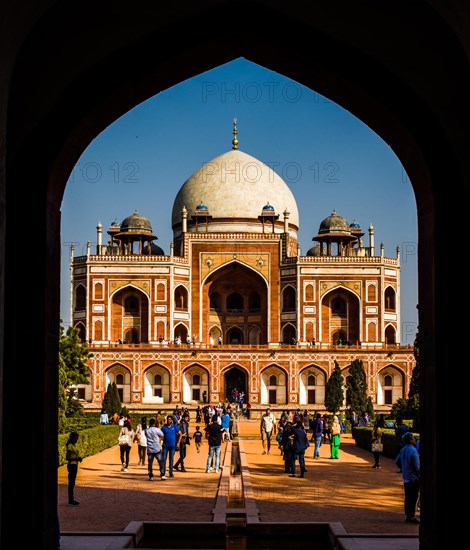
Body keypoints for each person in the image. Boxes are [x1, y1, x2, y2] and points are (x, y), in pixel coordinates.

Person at [395, 432, 420, 524]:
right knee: (413, 497)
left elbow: (397, 461)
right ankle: (411, 516)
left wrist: (404, 467)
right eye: (413, 438)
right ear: (410, 440)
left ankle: (408, 515)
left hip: (406, 477)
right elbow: (417, 466)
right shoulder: (413, 450)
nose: (414, 440)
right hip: (414, 478)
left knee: (408, 497)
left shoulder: (403, 449)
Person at [65, 431, 83, 506]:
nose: (76, 440)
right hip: (72, 465)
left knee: (72, 482)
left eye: (77, 438)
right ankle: (70, 500)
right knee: (71, 483)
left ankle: (71, 499)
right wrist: (76, 458)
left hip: (74, 465)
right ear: (72, 438)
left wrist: (77, 458)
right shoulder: (70, 446)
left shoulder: (72, 445)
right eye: (75, 438)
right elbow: (68, 457)